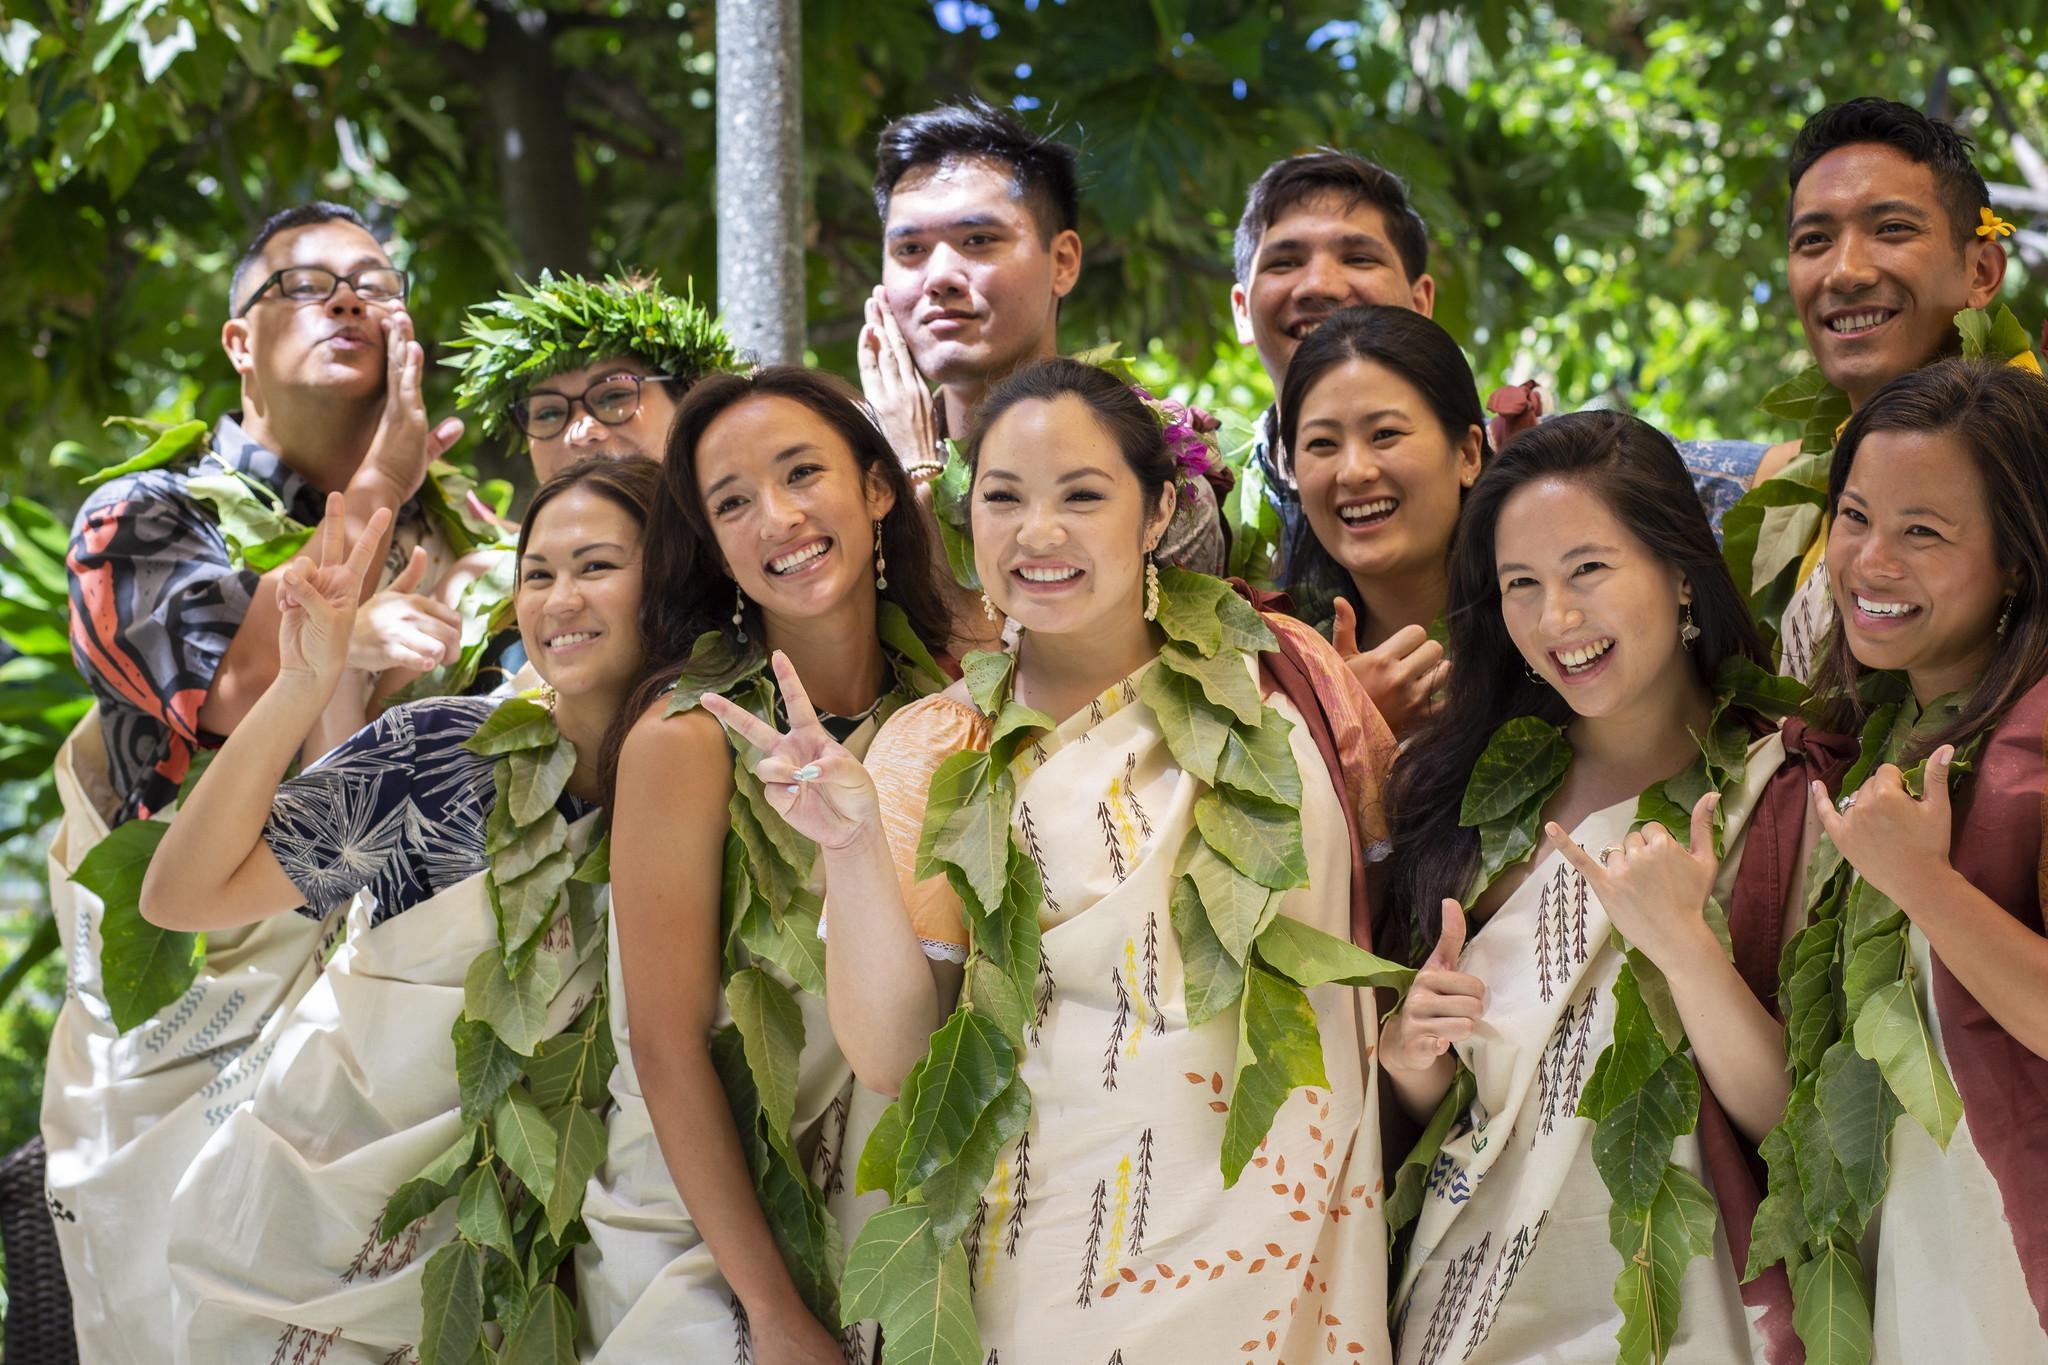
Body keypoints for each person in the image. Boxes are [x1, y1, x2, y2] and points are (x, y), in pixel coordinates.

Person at [705, 359, 1404, 1363]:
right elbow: (896, 1058)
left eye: (1082, 495)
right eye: (1002, 499)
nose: (1038, 533)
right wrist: (853, 848)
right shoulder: (935, 744)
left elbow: (1387, 906)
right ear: (966, 521)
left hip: (1277, 1249)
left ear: (1157, 509)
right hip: (1045, 1267)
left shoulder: (1286, 673)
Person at [41, 200, 475, 1365]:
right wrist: (378, 486)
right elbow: (235, 697)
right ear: (238, 343)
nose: (346, 300)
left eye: (374, 284)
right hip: (197, 1025)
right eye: (304, 283)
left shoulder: (485, 538)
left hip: (409, 1041)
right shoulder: (143, 516)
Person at [147, 457, 657, 1364]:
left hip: (512, 1271)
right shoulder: (443, 754)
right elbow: (183, 893)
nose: (559, 598)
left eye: (598, 566)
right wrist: (302, 682)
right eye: (537, 573)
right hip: (301, 1236)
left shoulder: (700, 774)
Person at [1380, 412, 1806, 1363]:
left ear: (1680, 567)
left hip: (1691, 1308)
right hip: (1469, 1304)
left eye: (1589, 570)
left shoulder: (1784, 788)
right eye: (1520, 586)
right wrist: (1410, 1050)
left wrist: (1686, 950)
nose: (1556, 620)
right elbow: (1437, 1106)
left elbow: (1793, 1116)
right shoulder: (1458, 791)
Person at [576, 369, 953, 1362]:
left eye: (800, 474)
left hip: (889, 1195)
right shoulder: (686, 738)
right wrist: (776, 1314)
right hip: (710, 1225)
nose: (775, 518)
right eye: (732, 502)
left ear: (876, 489)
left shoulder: (944, 701)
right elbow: (663, 1045)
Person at [1747, 359, 2048, 1362]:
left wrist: (1923, 882)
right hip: (1921, 1261)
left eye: (1921, 532)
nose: (1868, 562)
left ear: (2015, 559)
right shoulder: (1873, 739)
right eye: (1853, 516)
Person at [857, 99, 1227, 582]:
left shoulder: (1147, 459)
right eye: (910, 250)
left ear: (1064, 262)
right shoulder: (849, 459)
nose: (940, 277)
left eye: (979, 240)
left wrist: (916, 469)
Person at [1725, 98, 2007, 679]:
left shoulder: (2025, 462)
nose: (1845, 271)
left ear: (1981, 272)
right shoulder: (1811, 470)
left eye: (1892, 229)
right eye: (1813, 241)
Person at [1224, 149, 1439, 585]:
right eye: (1284, 262)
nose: (1319, 285)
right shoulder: (1198, 502)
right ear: (1243, 312)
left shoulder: (1512, 479)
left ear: (1421, 303)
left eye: (1359, 258)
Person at [1279, 305, 1488, 738]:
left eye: (1385, 434)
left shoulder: (1542, 638)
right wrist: (1346, 719)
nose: (1354, 471)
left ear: (1468, 455)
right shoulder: (1276, 665)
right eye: (1322, 443)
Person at [448, 269, 737, 488]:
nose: (582, 432)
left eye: (613, 396)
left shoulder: (756, 551)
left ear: (689, 400)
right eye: (548, 413)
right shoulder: (490, 568)